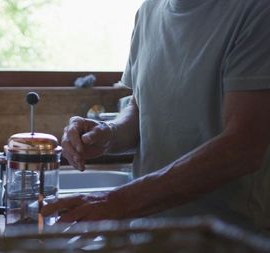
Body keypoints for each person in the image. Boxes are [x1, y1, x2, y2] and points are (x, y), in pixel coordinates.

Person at [42, 0, 270, 230]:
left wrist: (118, 202)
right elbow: (140, 107)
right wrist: (108, 133)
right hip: (150, 233)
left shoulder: (257, 11)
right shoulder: (149, 11)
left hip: (227, 239)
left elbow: (243, 147)